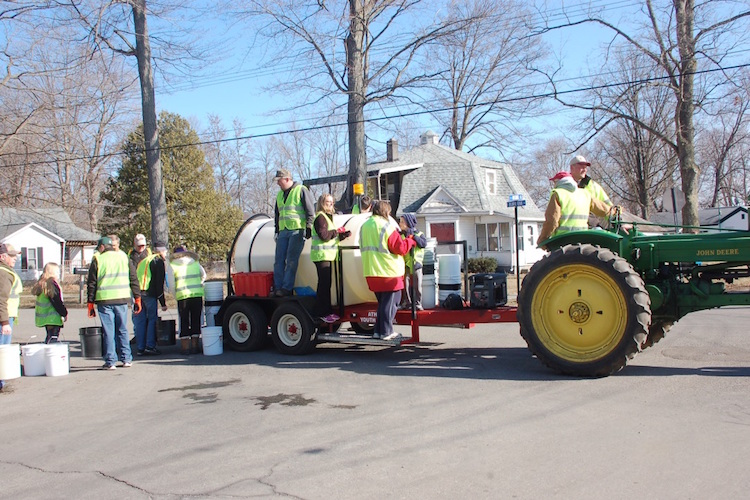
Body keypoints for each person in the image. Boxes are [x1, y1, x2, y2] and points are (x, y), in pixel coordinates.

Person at [359, 200, 416, 341]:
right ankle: (386, 332)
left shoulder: (364, 226)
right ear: (386, 212)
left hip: (371, 271)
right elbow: (400, 248)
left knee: (383, 304)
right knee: (391, 302)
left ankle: (378, 331)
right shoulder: (386, 226)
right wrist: (410, 240)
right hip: (388, 272)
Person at [87, 236, 141, 370]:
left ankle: (111, 361)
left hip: (104, 300)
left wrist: (90, 303)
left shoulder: (98, 259)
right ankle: (126, 358)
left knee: (108, 331)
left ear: (102, 247)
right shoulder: (123, 257)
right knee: (122, 329)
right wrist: (137, 297)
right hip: (122, 299)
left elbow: (91, 283)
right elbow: (133, 278)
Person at [537, 171, 614, 248]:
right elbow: (604, 209)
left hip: (563, 239)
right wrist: (616, 212)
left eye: (554, 182)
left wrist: (543, 239)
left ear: (558, 181)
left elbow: (552, 220)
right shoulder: (585, 194)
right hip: (583, 237)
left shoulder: (558, 194)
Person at [272, 168, 315, 297]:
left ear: (287, 179)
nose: (278, 184)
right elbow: (277, 214)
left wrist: (308, 227)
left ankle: (286, 288)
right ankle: (278, 287)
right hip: (283, 231)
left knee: (291, 260)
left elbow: (310, 210)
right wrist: (276, 230)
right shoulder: (280, 195)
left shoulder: (301, 190)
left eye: (279, 181)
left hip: (297, 230)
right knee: (278, 260)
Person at [311, 193, 351, 324]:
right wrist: (337, 232)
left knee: (326, 284)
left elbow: (330, 237)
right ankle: (321, 312)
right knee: (324, 285)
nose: (330, 204)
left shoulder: (328, 218)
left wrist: (342, 235)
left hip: (327, 256)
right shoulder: (321, 218)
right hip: (321, 256)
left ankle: (326, 311)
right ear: (322, 203)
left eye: (332, 202)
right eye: (327, 202)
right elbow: (324, 236)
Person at [169, 245, 205, 354]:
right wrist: (199, 284)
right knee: (196, 319)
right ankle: (195, 346)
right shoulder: (194, 262)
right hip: (196, 294)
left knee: (184, 321)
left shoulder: (173, 265)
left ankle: (185, 348)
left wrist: (175, 295)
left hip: (182, 296)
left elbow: (171, 284)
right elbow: (203, 275)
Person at [134, 245, 168, 355]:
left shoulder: (145, 260)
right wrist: (163, 302)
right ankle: (150, 345)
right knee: (152, 319)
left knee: (141, 321)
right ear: (161, 252)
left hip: (139, 293)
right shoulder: (158, 261)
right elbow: (159, 284)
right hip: (149, 293)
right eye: (166, 252)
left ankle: (140, 347)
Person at [0, 243, 21, 391]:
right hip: (4, 318)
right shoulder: (4, 273)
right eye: (12, 256)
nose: (15, 259)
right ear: (2, 256)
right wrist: (5, 322)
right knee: (2, 350)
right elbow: (1, 299)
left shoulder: (6, 271)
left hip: (7, 316)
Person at [31, 262, 68, 344]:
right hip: (53, 318)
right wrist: (64, 313)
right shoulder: (51, 284)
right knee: (53, 339)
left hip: (45, 317)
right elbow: (57, 302)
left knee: (49, 336)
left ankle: (47, 352)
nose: (59, 274)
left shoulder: (42, 284)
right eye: (57, 272)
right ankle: (49, 355)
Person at [398, 213, 427, 311]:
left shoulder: (419, 233)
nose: (400, 223)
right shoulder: (401, 235)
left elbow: (423, 244)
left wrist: (414, 237)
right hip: (405, 264)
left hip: (416, 264)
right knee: (405, 285)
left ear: (408, 223)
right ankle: (407, 303)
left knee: (417, 285)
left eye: (402, 222)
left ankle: (418, 303)